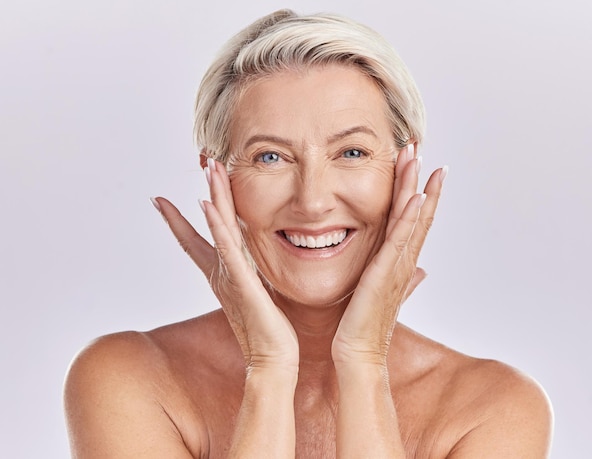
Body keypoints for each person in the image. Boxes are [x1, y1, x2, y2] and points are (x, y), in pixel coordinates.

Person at [63, 9, 553, 458]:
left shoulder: (496, 407)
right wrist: (269, 371)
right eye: (270, 157)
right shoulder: (129, 378)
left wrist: (362, 365)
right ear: (217, 173)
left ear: (404, 169)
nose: (313, 201)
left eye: (353, 153)